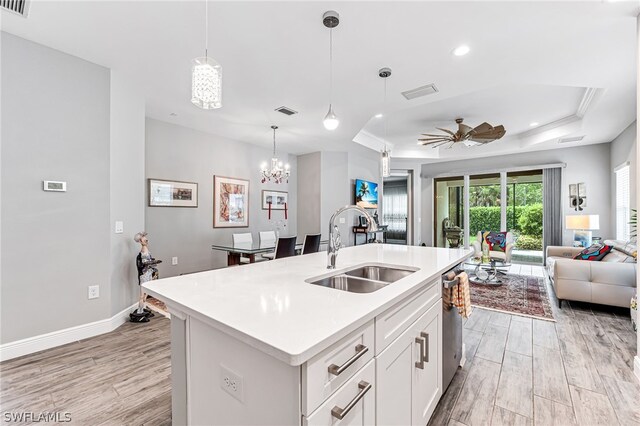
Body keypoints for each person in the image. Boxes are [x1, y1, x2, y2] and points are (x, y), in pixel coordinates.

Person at [130, 231, 162, 323]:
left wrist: (153, 262)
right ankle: (140, 311)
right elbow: (144, 262)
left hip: (148, 273)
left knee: (146, 293)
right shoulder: (143, 250)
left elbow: (148, 260)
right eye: (145, 240)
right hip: (144, 274)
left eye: (147, 240)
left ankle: (143, 308)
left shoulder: (146, 249)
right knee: (142, 295)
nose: (147, 241)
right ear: (140, 241)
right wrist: (151, 262)